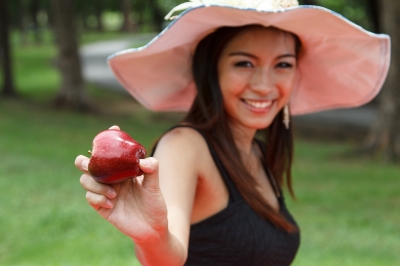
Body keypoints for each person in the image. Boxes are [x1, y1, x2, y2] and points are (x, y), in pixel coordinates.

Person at [75, 1, 390, 265]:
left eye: (283, 64)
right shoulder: (185, 146)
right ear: (210, 69)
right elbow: (169, 256)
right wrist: (153, 237)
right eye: (244, 63)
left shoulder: (258, 153)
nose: (265, 85)